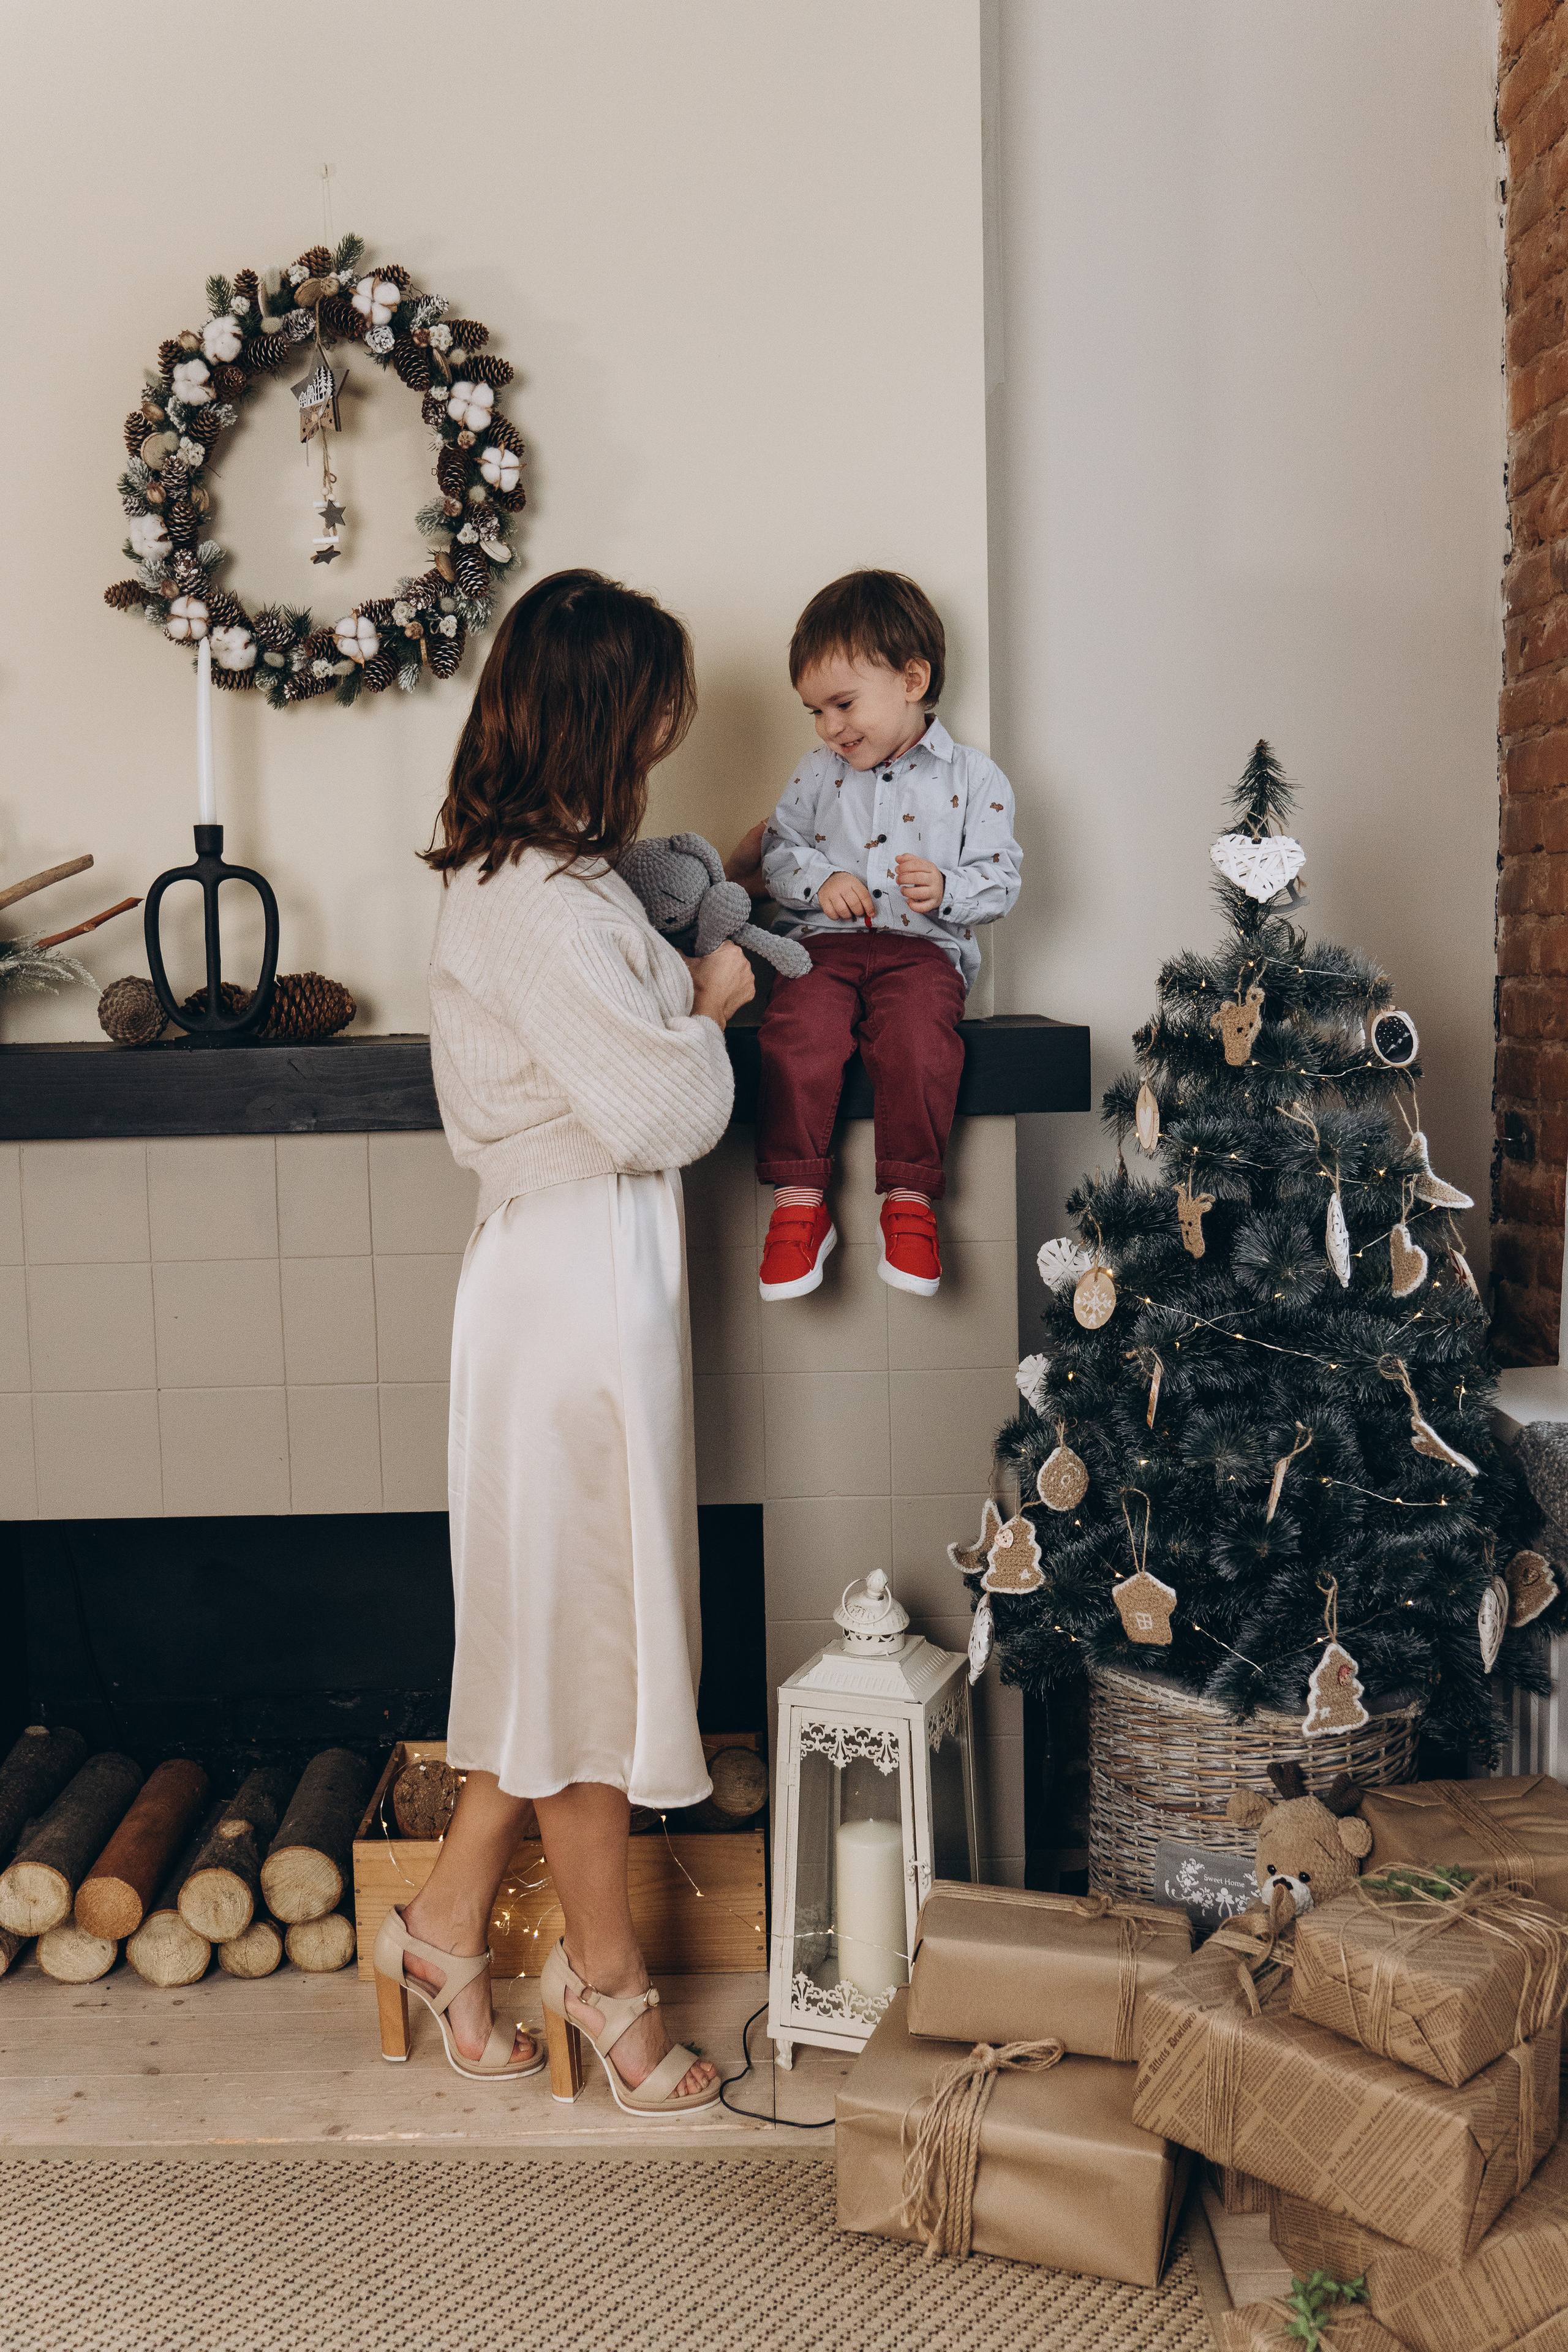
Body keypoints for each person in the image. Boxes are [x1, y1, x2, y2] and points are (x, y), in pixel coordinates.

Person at [371, 569, 754, 2119]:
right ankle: (604, 1980)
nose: (667, 734)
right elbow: (666, 1108)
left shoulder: (567, 882)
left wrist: (682, 974)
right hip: (566, 1277)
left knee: (563, 1631)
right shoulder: (529, 899)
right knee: (585, 1638)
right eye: (652, 711)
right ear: (599, 714)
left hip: (597, 1270)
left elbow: (632, 1071)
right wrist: (714, 1003)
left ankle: (446, 1931)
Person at [748, 570, 1022, 1303]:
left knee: (919, 1045)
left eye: (842, 704)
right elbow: (776, 850)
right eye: (815, 711)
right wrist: (815, 881)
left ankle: (910, 1199)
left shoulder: (975, 778)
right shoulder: (817, 771)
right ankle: (799, 1204)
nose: (830, 727)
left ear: (911, 679)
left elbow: (1000, 879)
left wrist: (949, 890)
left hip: (922, 953)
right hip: (824, 949)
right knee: (796, 1035)